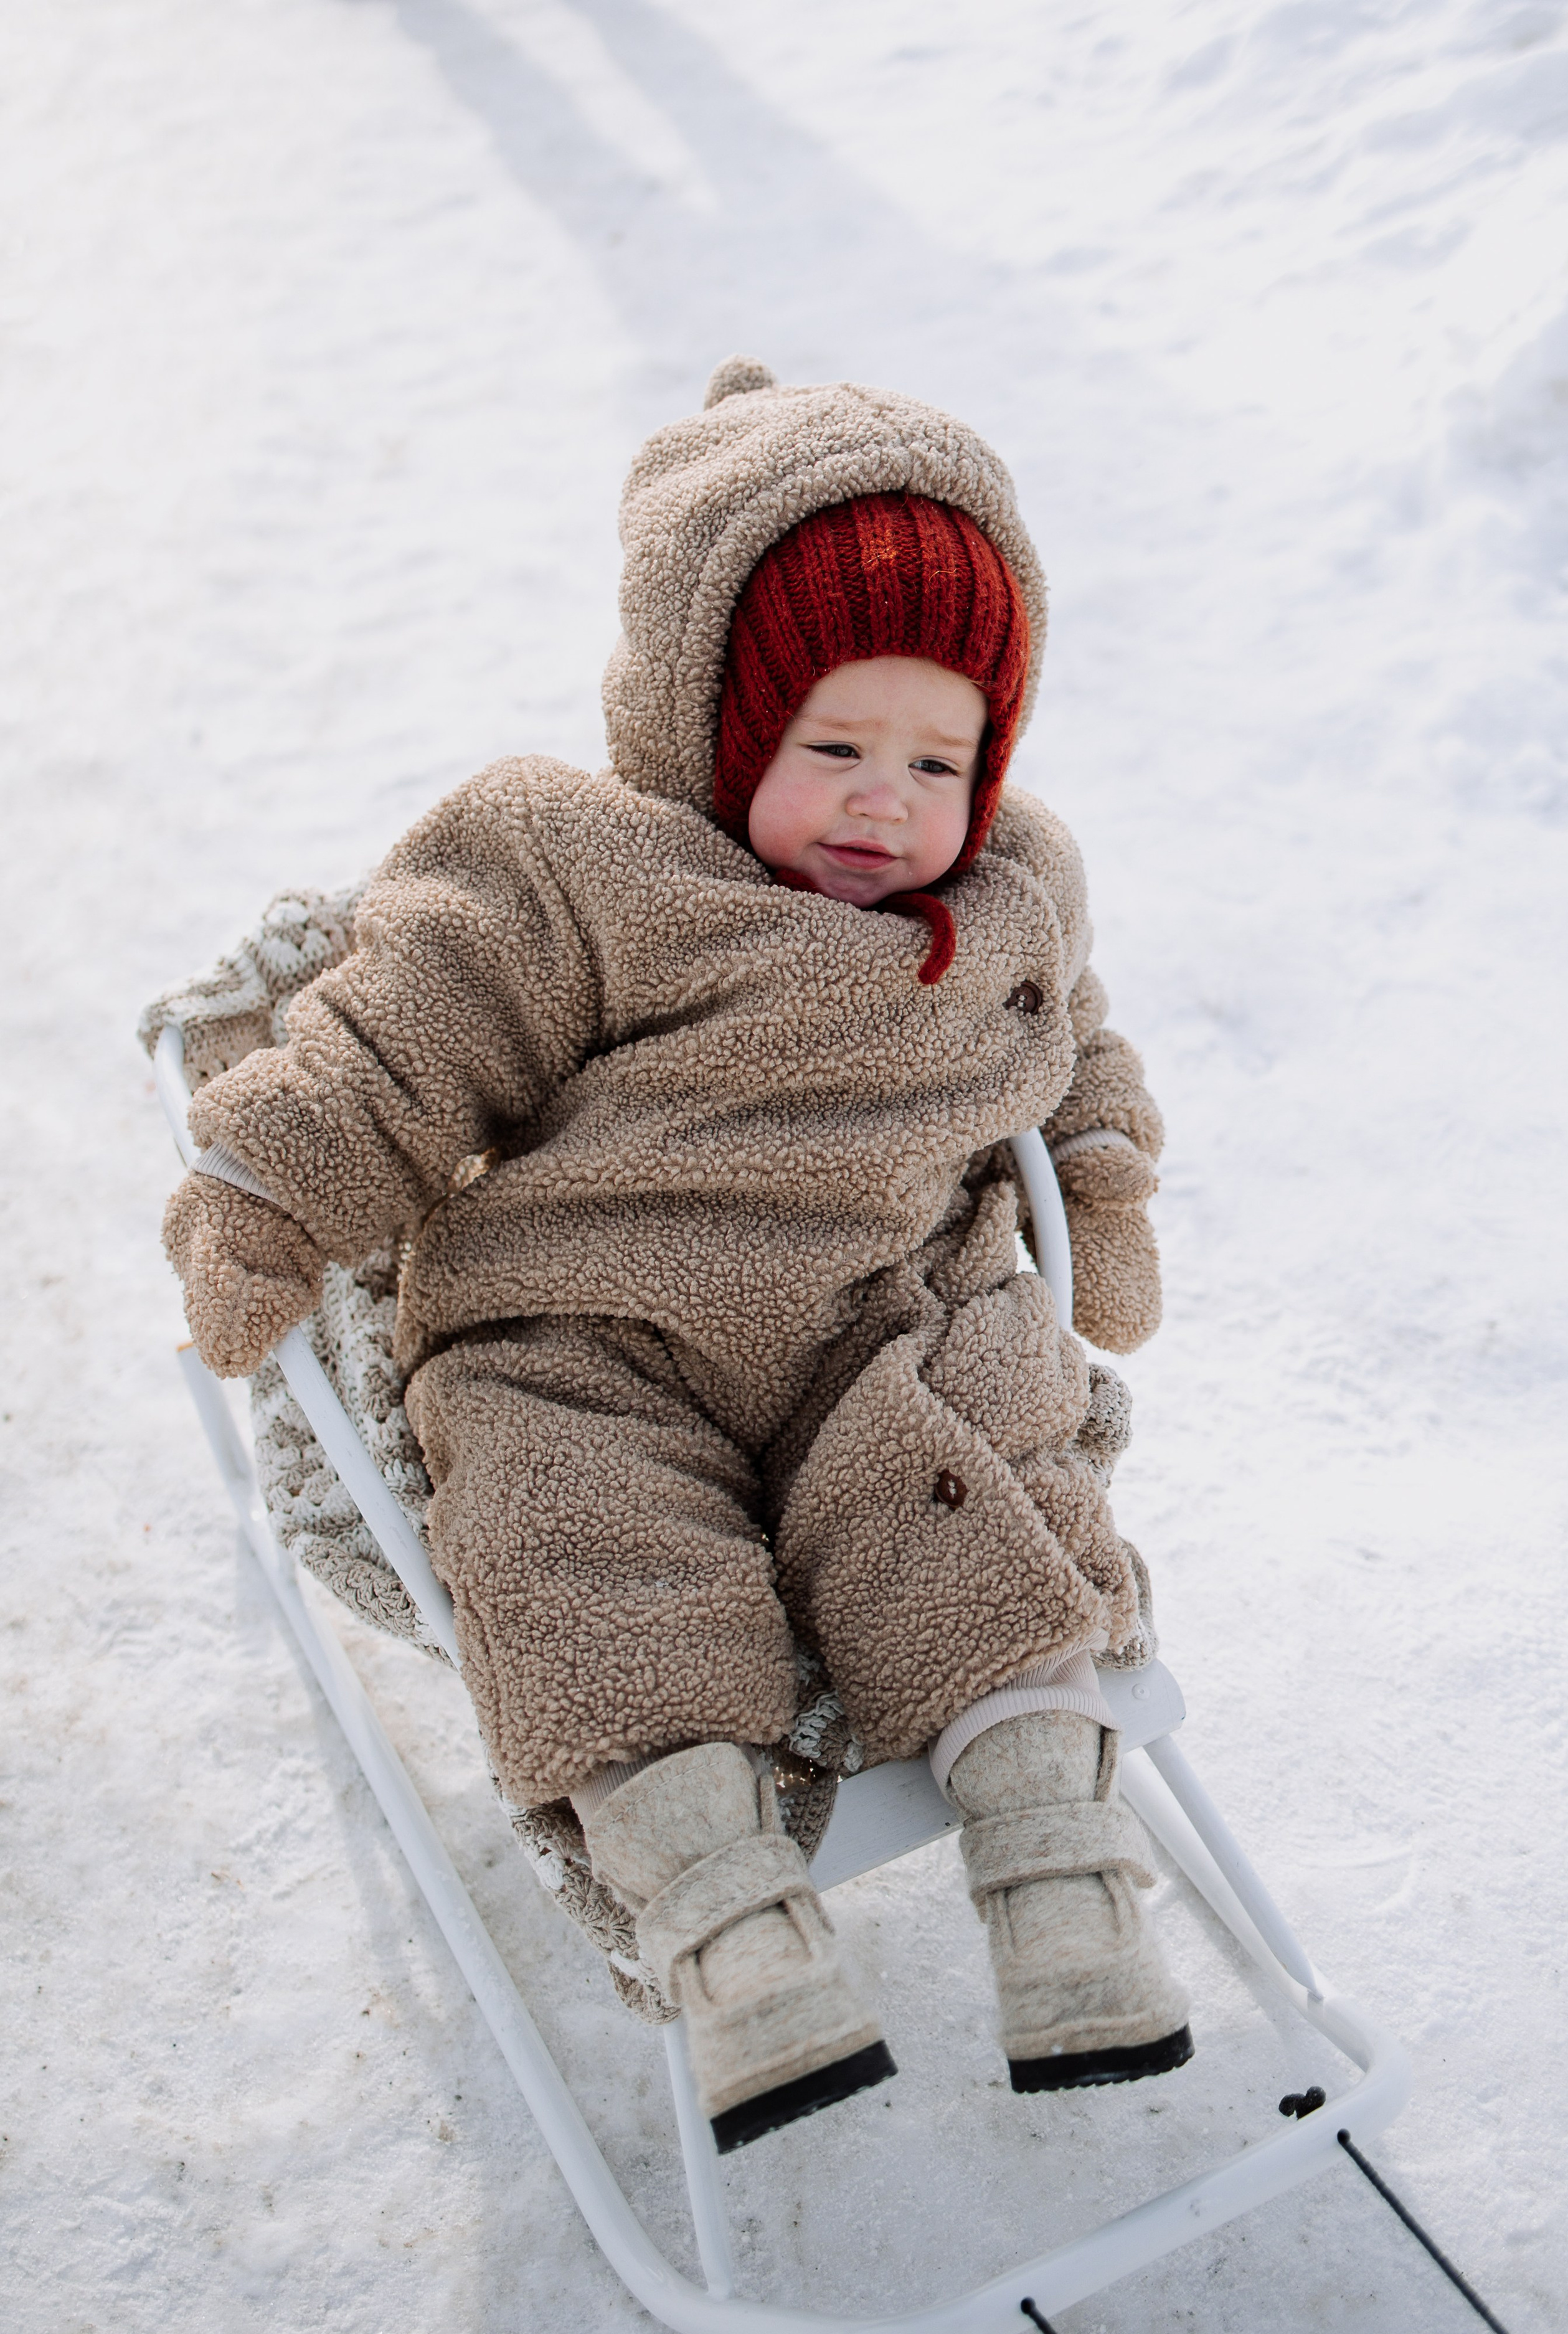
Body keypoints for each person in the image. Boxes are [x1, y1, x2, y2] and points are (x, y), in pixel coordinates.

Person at [164, 356, 1191, 2155]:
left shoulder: (1010, 890)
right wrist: (274, 1191)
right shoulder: (579, 868)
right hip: (591, 1324)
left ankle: (1064, 1878)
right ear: (716, 727)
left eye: (938, 759)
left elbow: (1069, 1041)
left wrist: (1097, 1176)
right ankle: (733, 1941)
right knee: (573, 1549)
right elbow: (407, 1027)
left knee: (974, 1495)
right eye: (835, 750)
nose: (889, 804)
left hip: (880, 1317)